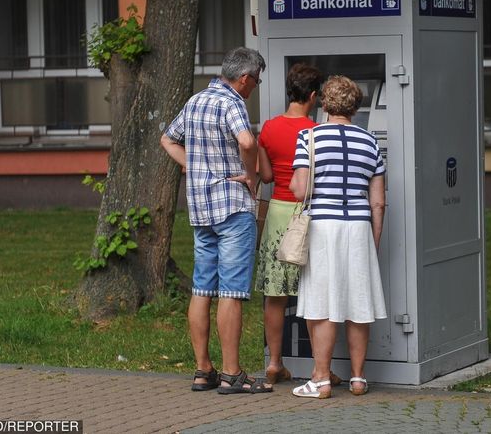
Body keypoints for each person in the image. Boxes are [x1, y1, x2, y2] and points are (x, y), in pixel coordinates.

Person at [160, 47, 272, 395]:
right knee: (231, 291)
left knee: (202, 288)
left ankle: (202, 370)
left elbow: (167, 139)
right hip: (233, 208)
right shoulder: (232, 103)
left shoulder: (195, 101)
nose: (255, 87)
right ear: (245, 78)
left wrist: (193, 166)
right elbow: (246, 140)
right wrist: (249, 174)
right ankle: (232, 374)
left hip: (201, 209)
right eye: (256, 81)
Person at [289, 75, 387, 399]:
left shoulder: (309, 137)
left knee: (322, 303)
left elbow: (301, 189)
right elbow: (378, 201)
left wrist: (293, 184)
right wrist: (373, 240)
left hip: (323, 226)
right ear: (356, 106)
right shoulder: (370, 142)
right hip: (358, 225)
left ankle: (320, 379)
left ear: (324, 103)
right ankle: (358, 378)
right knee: (359, 304)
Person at [254, 63, 322, 384]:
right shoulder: (314, 131)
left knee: (275, 294)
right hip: (307, 213)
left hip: (279, 212)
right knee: (312, 291)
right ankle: (322, 368)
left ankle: (274, 363)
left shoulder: (268, 128)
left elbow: (265, 175)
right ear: (312, 96)